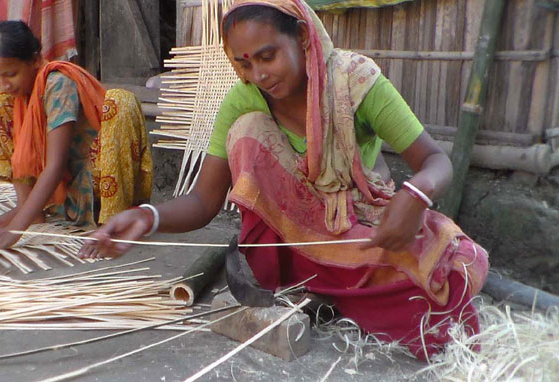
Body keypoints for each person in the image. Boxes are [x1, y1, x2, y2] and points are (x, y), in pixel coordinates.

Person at [79, 0, 488, 360]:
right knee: (248, 133)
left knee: (455, 271)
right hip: (290, 249)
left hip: (355, 230)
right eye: (244, 63)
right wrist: (146, 217)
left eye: (268, 56)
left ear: (304, 40)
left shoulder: (355, 81)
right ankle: (318, 287)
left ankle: (334, 292)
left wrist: (415, 195)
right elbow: (204, 202)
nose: (258, 74)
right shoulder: (243, 101)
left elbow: (435, 161)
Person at [0, 20, 153, 251]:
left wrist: (14, 232)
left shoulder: (57, 85)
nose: (3, 84)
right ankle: (30, 209)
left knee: (120, 101)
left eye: (10, 74)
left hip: (96, 182)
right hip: (65, 189)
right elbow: (0, 153)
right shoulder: (19, 97)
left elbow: (55, 166)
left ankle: (110, 220)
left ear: (34, 61)